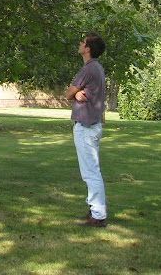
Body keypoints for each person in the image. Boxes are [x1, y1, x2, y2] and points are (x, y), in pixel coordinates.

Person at [66, 32, 107, 227]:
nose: (80, 43)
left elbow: (67, 93)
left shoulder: (88, 69)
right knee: (91, 171)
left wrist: (75, 93)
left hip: (86, 127)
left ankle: (98, 215)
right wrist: (78, 93)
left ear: (88, 48)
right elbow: (76, 93)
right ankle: (93, 210)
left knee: (91, 172)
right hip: (93, 125)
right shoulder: (97, 68)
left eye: (82, 42)